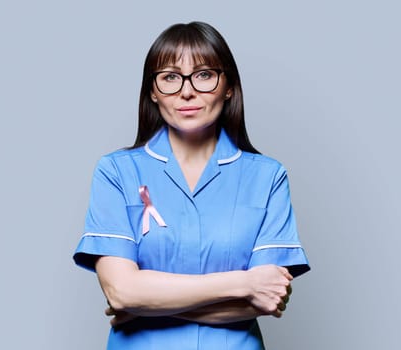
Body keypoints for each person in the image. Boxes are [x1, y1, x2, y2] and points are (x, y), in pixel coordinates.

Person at [73, 21, 310, 350]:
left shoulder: (268, 177)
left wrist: (147, 305)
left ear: (228, 86)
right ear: (153, 92)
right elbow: (121, 292)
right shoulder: (116, 171)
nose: (186, 91)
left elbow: (266, 300)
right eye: (170, 77)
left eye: (203, 74)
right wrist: (243, 282)